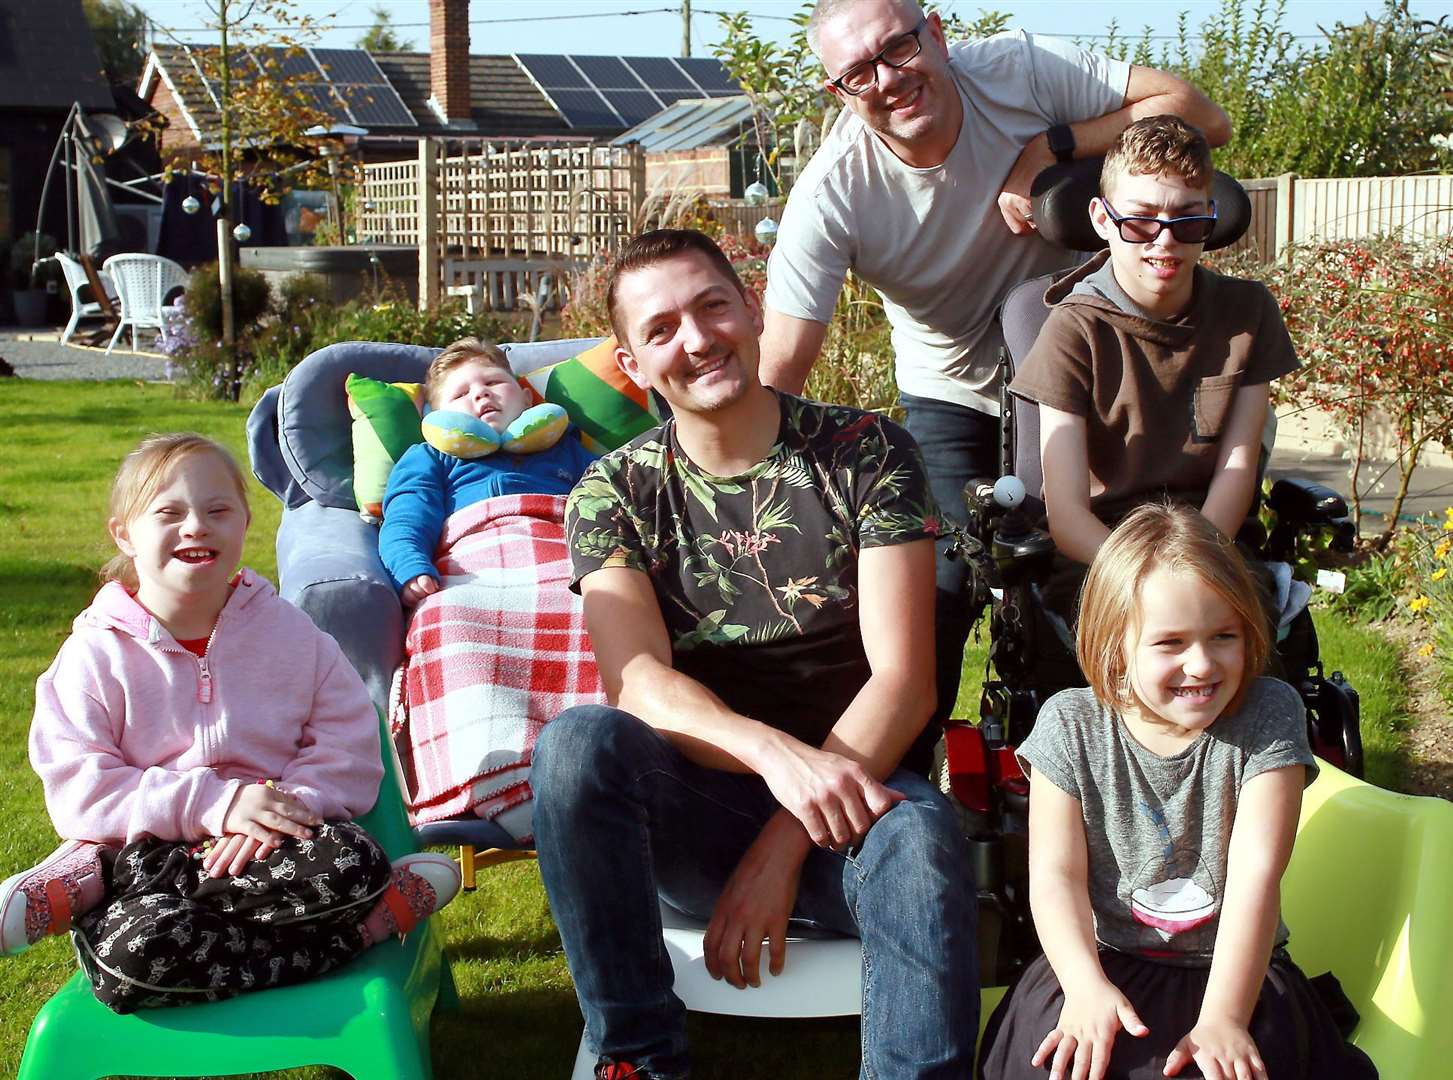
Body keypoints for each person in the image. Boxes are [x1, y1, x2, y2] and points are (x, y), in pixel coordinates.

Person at [533, 229, 978, 1079]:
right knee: (575, 746)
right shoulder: (612, 491)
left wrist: (780, 847)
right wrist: (775, 757)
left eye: (710, 307)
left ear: (751, 309)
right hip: (692, 820)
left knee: (919, 836)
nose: (696, 340)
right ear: (631, 359)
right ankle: (637, 1058)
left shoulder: (865, 452)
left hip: (860, 809)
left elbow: (906, 681)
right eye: (661, 329)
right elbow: (637, 682)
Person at [759, 0, 1232, 728]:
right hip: (954, 396)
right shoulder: (832, 192)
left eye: (899, 48)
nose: (887, 79)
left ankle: (1144, 743)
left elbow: (1201, 116)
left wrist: (1052, 148)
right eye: (858, 72)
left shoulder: (1016, 71)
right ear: (840, 93)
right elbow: (781, 364)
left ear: (937, 34)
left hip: (1089, 375)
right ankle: (901, 797)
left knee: (1118, 561)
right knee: (935, 594)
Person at [0, 434, 461, 1012]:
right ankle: (367, 927)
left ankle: (86, 887)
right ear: (124, 533)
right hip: (144, 855)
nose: (196, 526)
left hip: (271, 854)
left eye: (218, 510)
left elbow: (350, 745)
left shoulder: (293, 637)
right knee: (134, 958)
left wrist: (278, 807)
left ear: (244, 522)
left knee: (353, 863)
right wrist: (215, 804)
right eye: (168, 513)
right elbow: (80, 786)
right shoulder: (93, 655)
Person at [977, 503, 1378, 1080]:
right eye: (1170, 643)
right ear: (1116, 646)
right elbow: (1054, 877)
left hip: (1231, 969)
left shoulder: (1268, 714)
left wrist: (1224, 1016)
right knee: (1062, 1062)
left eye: (1224, 636)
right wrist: (1085, 989)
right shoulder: (1070, 725)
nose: (1202, 663)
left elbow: (1254, 876)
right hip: (1100, 960)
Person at [1009, 115, 1298, 625]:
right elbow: (1069, 517)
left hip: (1213, 539)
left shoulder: (1249, 313)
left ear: (1210, 217)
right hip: (1103, 552)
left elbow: (1237, 469)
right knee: (1154, 638)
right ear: (1102, 219)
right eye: (1141, 221)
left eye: (1187, 222)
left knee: (1231, 646)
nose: (1164, 242)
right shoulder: (1071, 328)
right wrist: (1149, 579)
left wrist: (1193, 567)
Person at [379, 337, 597, 605]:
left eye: (494, 382)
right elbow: (407, 515)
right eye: (460, 394)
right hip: (471, 574)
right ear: (436, 417)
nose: (481, 393)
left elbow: (614, 497)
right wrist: (409, 565)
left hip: (567, 566)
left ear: (527, 399)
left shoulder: (567, 449)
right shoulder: (430, 457)